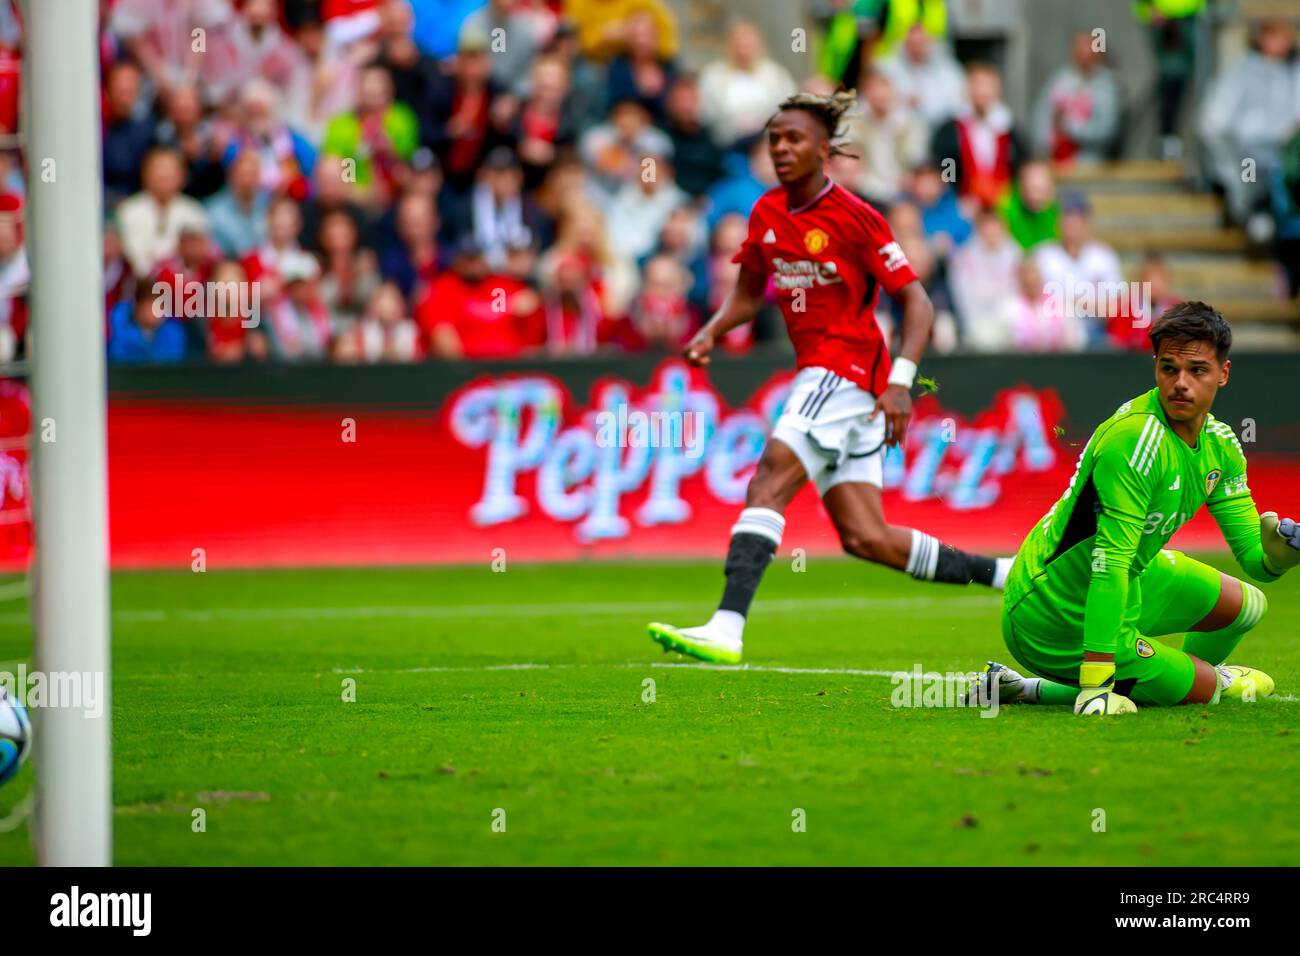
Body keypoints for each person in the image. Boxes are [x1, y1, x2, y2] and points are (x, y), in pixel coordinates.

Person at [647, 90, 1011, 666]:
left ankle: (727, 624)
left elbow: (917, 305)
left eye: (793, 139)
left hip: (845, 369)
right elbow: (748, 293)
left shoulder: (857, 216)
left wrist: (901, 382)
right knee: (866, 537)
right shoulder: (767, 213)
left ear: (824, 148)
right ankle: (1006, 576)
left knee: (769, 479)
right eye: (774, 141)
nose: (782, 149)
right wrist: (712, 330)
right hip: (841, 382)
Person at [970, 303, 1295, 714]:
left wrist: (1278, 558)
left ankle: (1178, 678)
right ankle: (1044, 687)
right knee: (1230, 689)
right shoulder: (1134, 442)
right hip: (1053, 611)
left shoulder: (1221, 444)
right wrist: (1096, 686)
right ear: (1155, 367)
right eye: (1169, 368)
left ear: (1223, 373)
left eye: (1197, 370)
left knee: (1248, 606)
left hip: (1129, 582)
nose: (1180, 383)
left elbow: (1255, 559)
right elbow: (1109, 563)